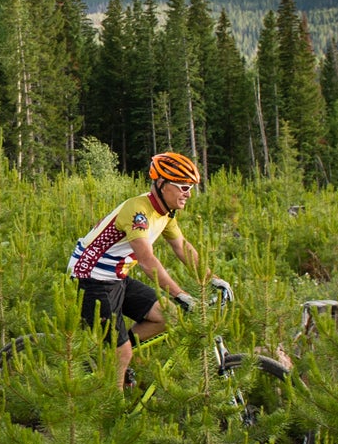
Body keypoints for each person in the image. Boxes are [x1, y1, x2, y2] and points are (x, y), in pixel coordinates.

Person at [66, 150, 232, 388]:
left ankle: (111, 358)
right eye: (183, 187)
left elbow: (182, 247)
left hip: (116, 277)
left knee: (168, 317)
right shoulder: (138, 212)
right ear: (162, 184)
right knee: (122, 352)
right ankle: (115, 413)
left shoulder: (165, 213)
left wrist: (213, 280)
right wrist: (181, 294)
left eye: (191, 187)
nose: (188, 193)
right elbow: (147, 261)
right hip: (90, 279)